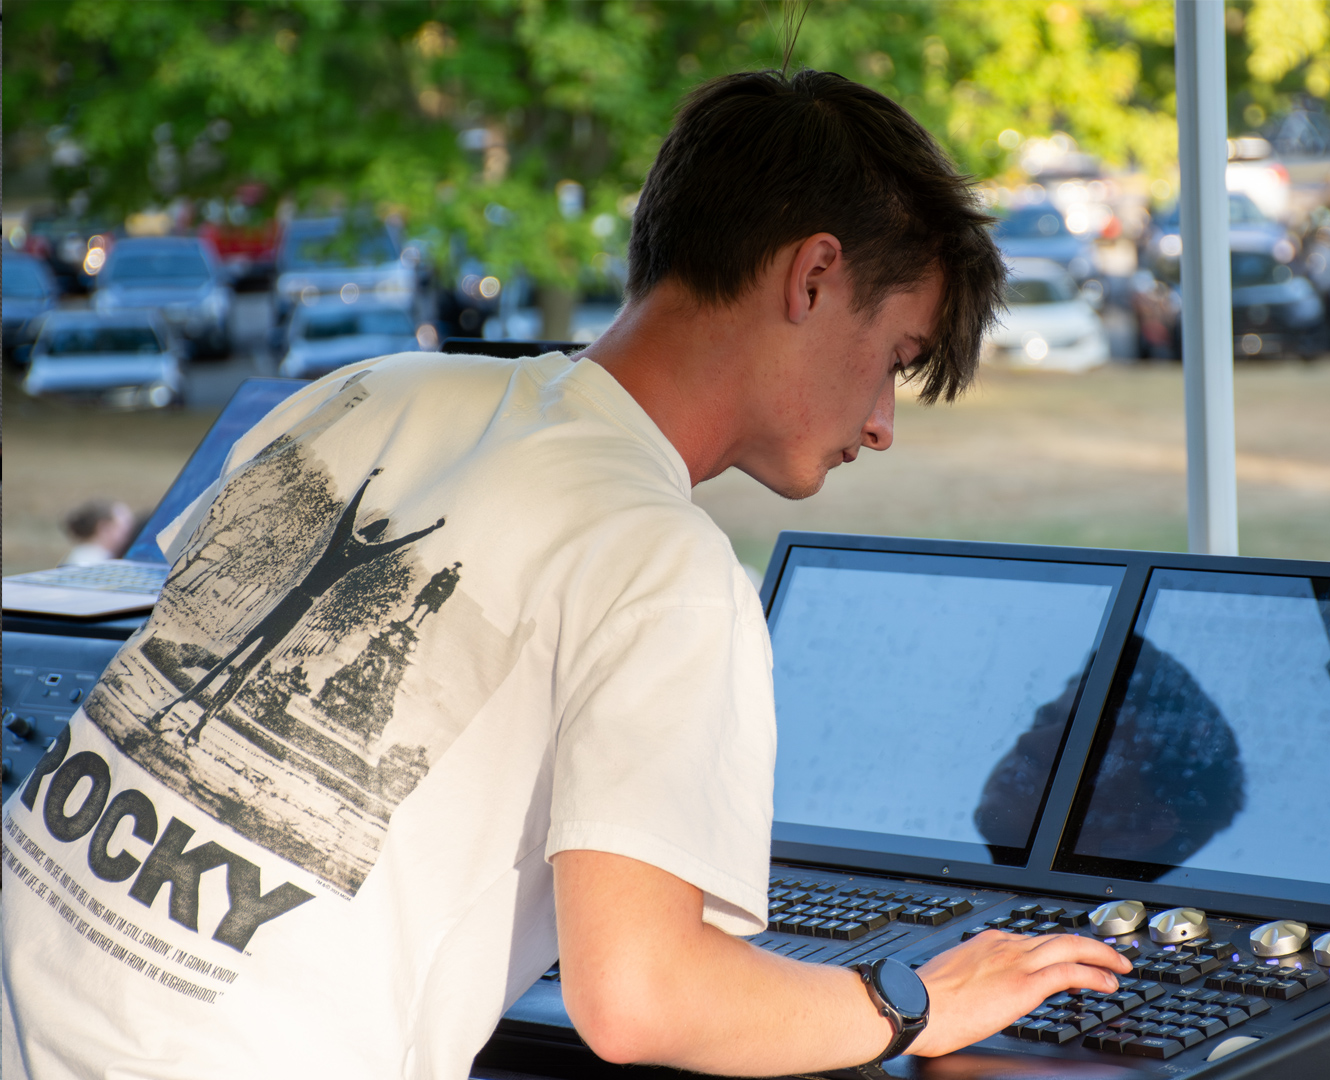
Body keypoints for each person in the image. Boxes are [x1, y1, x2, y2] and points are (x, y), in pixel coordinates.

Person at [1, 70, 1129, 1080]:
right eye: (895, 361)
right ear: (815, 276)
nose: (882, 425)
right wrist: (913, 1002)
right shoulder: (659, 563)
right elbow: (641, 1000)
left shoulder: (373, 391)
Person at [59, 498, 135, 566]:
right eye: (124, 527)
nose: (128, 533)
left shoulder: (88, 556)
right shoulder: (89, 560)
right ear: (104, 528)